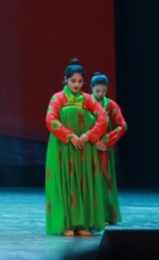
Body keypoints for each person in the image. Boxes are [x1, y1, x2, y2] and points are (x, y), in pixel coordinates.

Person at [45, 58, 108, 237]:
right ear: (65, 79)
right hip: (63, 148)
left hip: (83, 148)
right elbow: (51, 119)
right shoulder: (58, 97)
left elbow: (103, 117)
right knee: (65, 182)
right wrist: (70, 136)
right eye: (73, 81)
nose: (76, 85)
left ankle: (82, 224)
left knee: (82, 182)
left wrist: (89, 135)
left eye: (80, 81)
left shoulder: (87, 99)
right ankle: (66, 224)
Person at [89, 72, 126, 227]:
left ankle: (106, 215)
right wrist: (94, 139)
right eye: (97, 91)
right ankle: (90, 216)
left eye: (103, 91)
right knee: (90, 181)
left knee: (104, 181)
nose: (100, 94)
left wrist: (105, 139)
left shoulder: (110, 104)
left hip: (104, 148)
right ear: (91, 88)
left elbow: (122, 125)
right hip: (89, 147)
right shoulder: (85, 103)